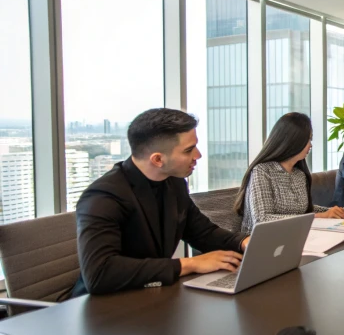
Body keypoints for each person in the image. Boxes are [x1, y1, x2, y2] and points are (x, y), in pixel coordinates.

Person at [71, 109, 250, 297]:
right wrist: (188, 264)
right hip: (102, 309)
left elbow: (203, 233)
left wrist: (244, 243)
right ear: (157, 159)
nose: (198, 155)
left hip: (149, 297)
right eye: (189, 150)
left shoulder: (173, 183)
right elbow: (100, 273)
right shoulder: (103, 196)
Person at [234, 113, 344, 233]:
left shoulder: (299, 174)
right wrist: (317, 217)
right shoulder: (261, 171)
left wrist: (329, 211)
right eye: (308, 139)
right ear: (293, 140)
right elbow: (262, 220)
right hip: (263, 242)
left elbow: (304, 210)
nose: (311, 145)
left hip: (296, 236)